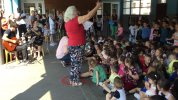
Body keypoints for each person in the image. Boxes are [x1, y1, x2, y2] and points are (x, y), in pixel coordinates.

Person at [64, 1, 102, 86]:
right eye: (76, 10)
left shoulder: (67, 23)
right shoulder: (75, 20)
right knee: (77, 64)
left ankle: (72, 79)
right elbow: (88, 16)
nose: (77, 11)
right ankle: (75, 81)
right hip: (77, 46)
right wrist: (97, 6)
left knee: (74, 63)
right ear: (72, 12)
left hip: (73, 45)